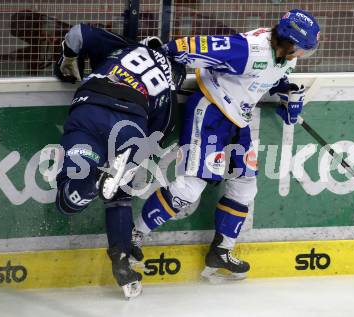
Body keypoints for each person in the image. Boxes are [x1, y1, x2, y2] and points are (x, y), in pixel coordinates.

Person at [129, 9, 320, 280]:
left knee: (246, 186)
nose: (301, 55)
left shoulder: (284, 55)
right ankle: (133, 235)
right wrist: (158, 54)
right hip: (210, 112)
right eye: (301, 49)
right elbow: (191, 47)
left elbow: (273, 78)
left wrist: (286, 92)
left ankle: (222, 250)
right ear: (289, 41)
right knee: (189, 188)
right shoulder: (248, 49)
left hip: (238, 120)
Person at [53, 23, 185, 299]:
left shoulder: (125, 47)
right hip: (130, 124)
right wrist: (135, 160)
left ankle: (87, 185)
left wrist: (67, 59)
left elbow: (78, 33)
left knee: (67, 201)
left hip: (90, 107)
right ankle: (122, 261)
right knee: (120, 195)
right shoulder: (169, 89)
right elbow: (159, 134)